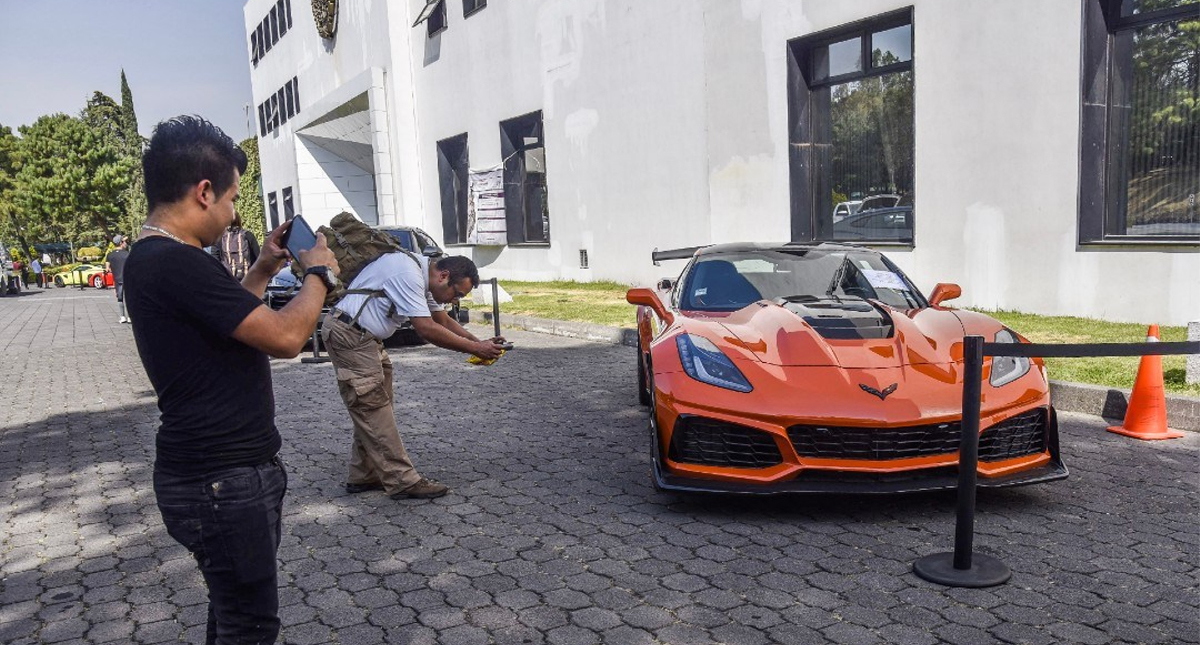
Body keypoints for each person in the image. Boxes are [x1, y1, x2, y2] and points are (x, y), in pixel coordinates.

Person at [124, 115, 340, 644]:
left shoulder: (155, 258)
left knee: (233, 618)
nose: (234, 213)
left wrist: (265, 267)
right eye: (232, 198)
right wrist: (317, 272)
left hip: (215, 477)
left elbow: (230, 322)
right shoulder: (177, 264)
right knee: (250, 628)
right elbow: (287, 338)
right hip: (221, 482)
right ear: (203, 192)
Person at [323, 253, 505, 500]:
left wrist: (479, 341)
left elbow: (441, 319)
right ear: (444, 276)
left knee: (375, 406)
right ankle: (402, 481)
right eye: (457, 294)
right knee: (373, 407)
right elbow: (427, 329)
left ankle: (364, 474)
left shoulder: (425, 274)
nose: (454, 301)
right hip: (351, 336)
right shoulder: (408, 273)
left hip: (365, 338)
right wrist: (475, 349)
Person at [213, 212, 260, 280]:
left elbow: (215, 259)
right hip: (247, 279)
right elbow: (257, 257)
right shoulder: (247, 235)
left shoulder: (220, 237)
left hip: (227, 279)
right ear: (239, 220)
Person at [105, 235, 131, 323]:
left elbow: (107, 269)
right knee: (128, 298)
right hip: (128, 279)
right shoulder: (127, 254)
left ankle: (122, 316)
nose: (126, 243)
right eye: (124, 242)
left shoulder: (110, 255)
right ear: (120, 243)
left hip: (117, 280)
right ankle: (130, 317)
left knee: (120, 298)